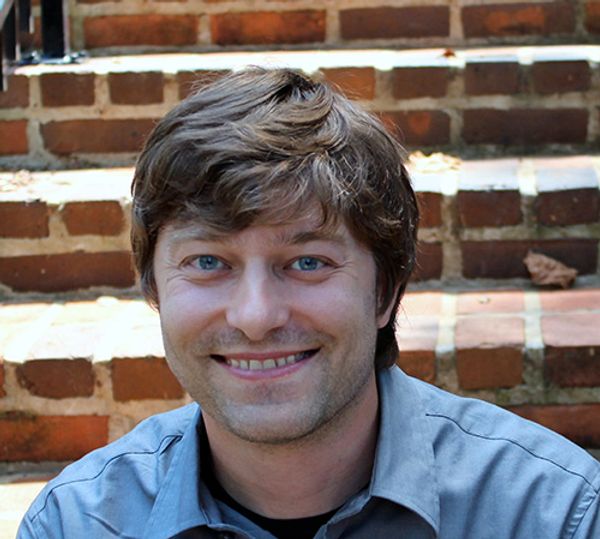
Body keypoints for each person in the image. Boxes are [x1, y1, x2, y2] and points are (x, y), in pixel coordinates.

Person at [19, 68, 599, 539]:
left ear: (385, 290)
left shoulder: (554, 516)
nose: (255, 317)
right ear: (153, 289)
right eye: (208, 262)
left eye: (307, 263)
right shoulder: (77, 524)